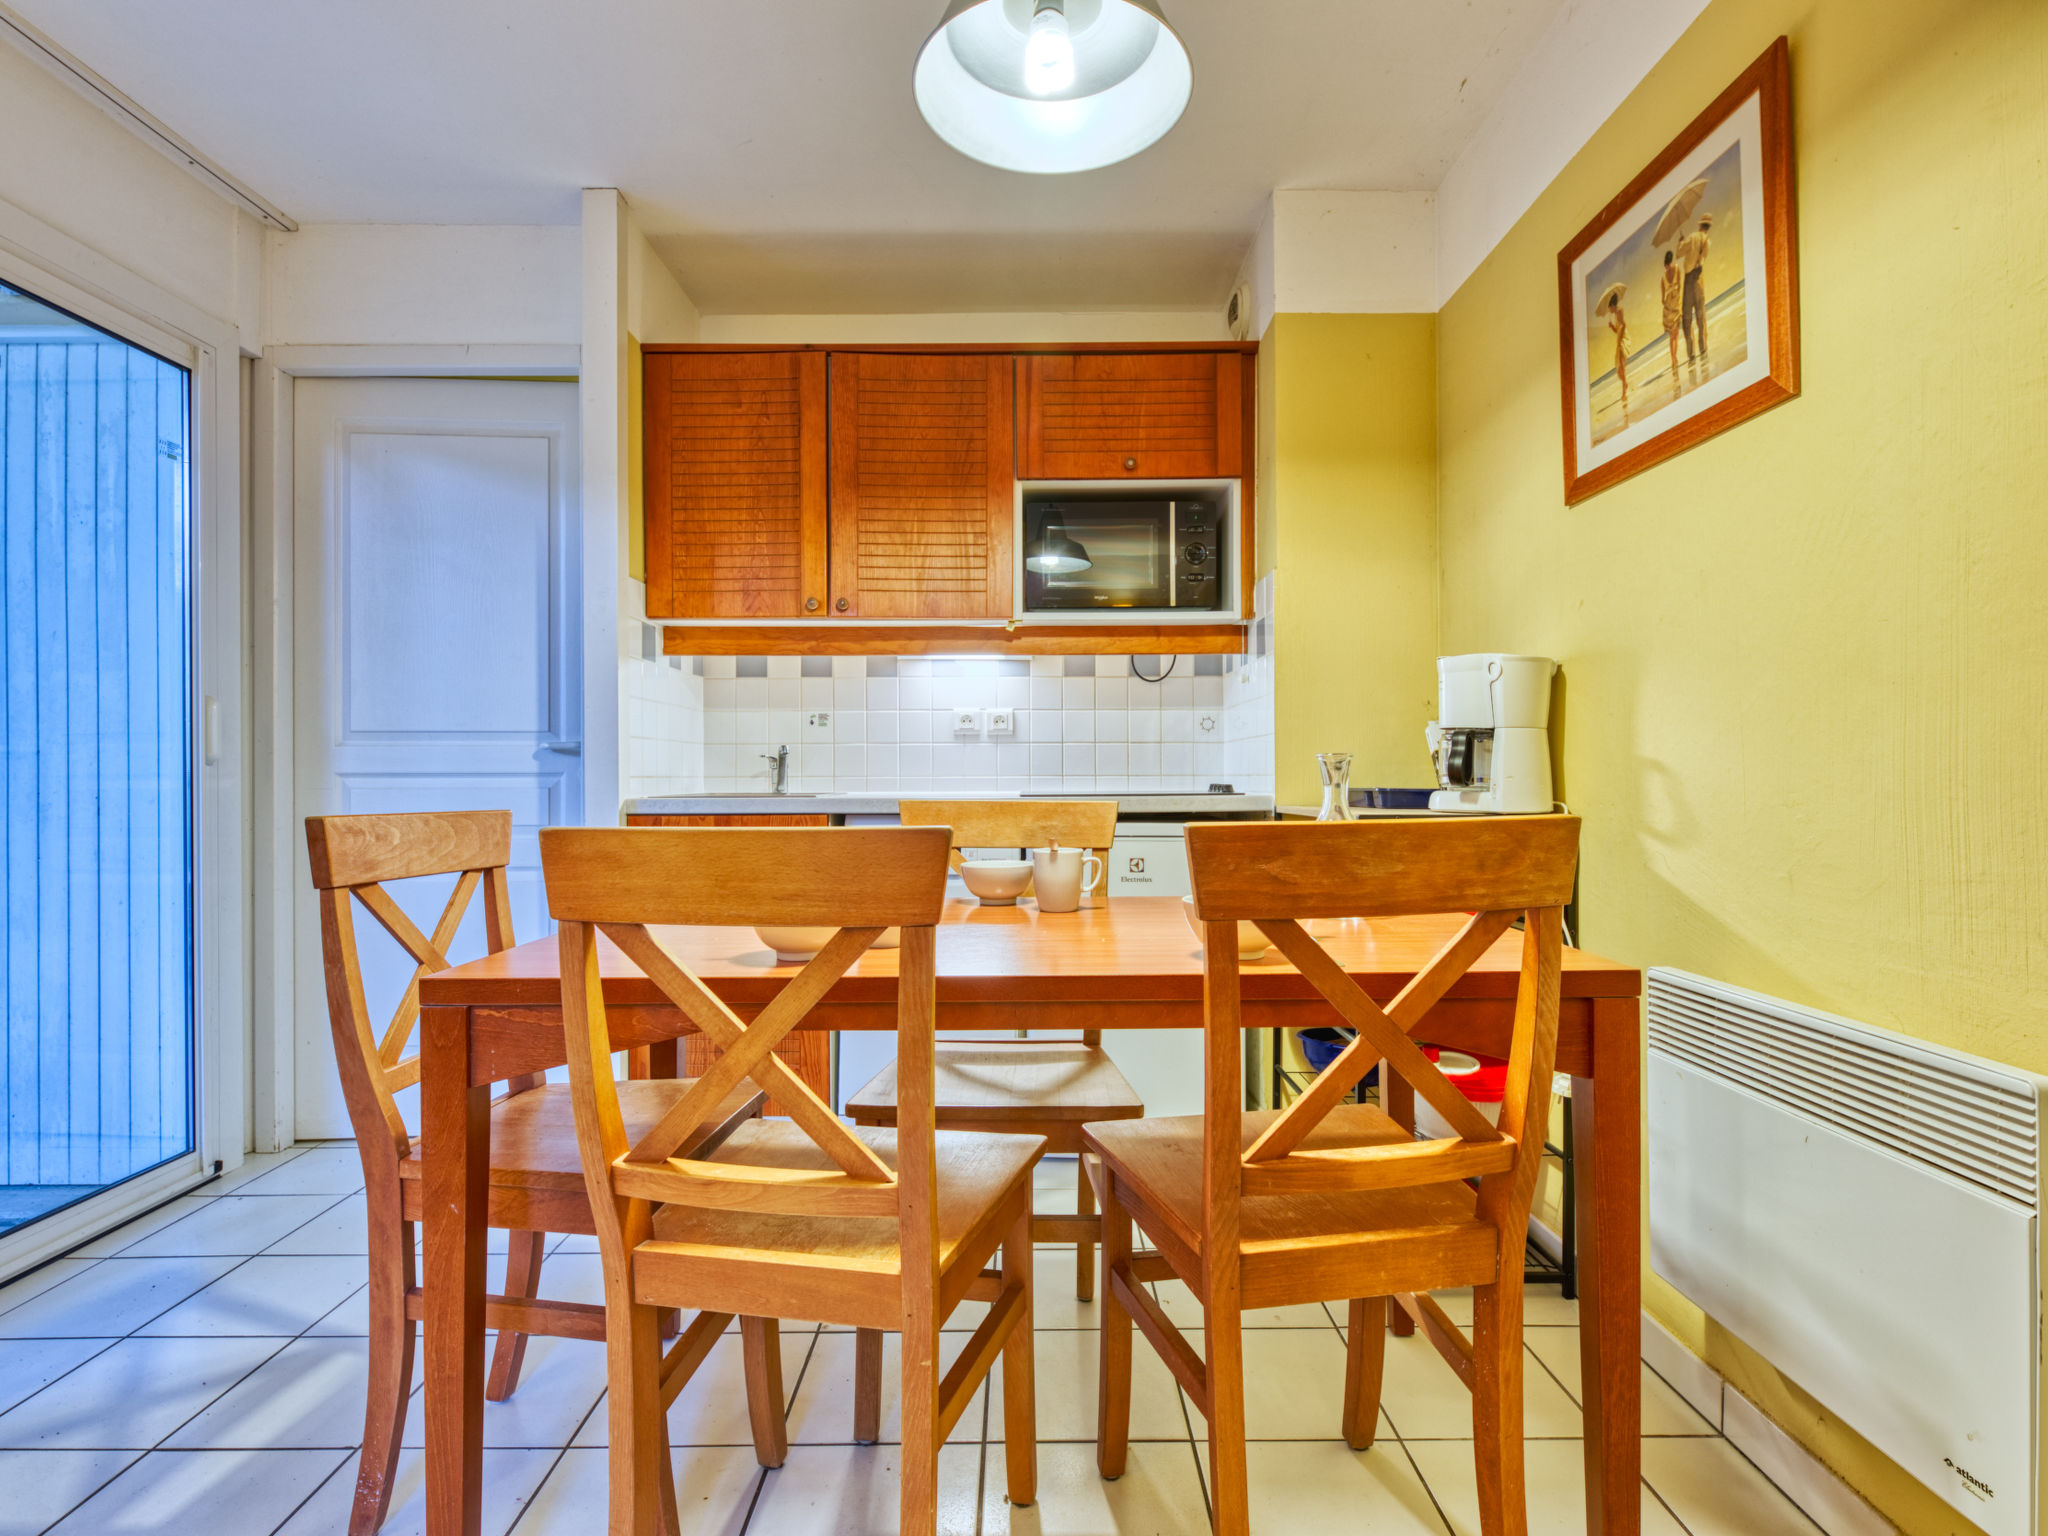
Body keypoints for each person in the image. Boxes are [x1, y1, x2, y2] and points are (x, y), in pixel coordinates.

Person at [1676, 213, 1712, 361]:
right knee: (1700, 315)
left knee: (1687, 319)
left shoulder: (1692, 237)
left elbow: (1678, 253)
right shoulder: (1708, 242)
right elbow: (1703, 258)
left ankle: (1691, 354)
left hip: (1689, 279)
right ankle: (1703, 349)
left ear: (1699, 224)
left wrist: (1680, 242)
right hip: (1699, 279)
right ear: (1708, 227)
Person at [1660, 249, 1684, 382]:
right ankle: (1674, 358)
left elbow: (1662, 299)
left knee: (1672, 336)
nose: (1667, 268)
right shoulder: (1677, 269)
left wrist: (1668, 297)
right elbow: (1680, 286)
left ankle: (1673, 359)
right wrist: (1675, 295)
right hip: (1675, 305)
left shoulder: (1663, 277)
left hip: (1668, 308)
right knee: (1675, 334)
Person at [1606, 291, 1630, 410]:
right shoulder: (1615, 314)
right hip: (1619, 338)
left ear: (1612, 305)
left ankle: (1624, 392)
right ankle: (1625, 384)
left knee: (1622, 365)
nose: (1609, 310)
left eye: (1609, 307)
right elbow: (1618, 330)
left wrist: (1620, 336)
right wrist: (1612, 328)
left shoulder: (1619, 311)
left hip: (1622, 339)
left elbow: (1624, 325)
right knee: (1619, 369)